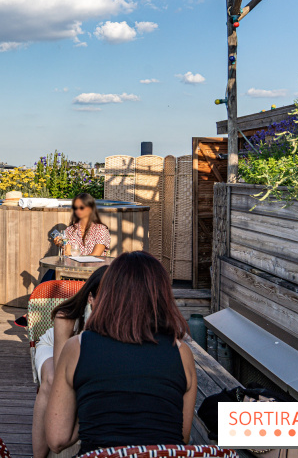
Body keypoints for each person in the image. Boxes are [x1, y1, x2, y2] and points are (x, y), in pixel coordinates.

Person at [45, 252, 196, 456]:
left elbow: (57, 440)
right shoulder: (182, 353)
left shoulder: (77, 347)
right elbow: (181, 438)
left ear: (109, 293)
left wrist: (92, 409)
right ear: (162, 297)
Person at [31, 267, 104, 458]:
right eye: (104, 299)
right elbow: (62, 367)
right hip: (52, 346)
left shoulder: (117, 317)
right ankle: (38, 455)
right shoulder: (66, 316)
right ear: (90, 298)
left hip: (80, 353)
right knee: (52, 380)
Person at [16, 192, 110, 327]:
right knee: (52, 271)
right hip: (71, 270)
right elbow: (67, 255)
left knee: (51, 274)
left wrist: (74, 255)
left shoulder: (101, 229)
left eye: (82, 207)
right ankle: (36, 311)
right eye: (76, 208)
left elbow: (96, 255)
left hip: (92, 272)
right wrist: (62, 244)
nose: (78, 211)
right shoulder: (70, 230)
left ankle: (33, 311)